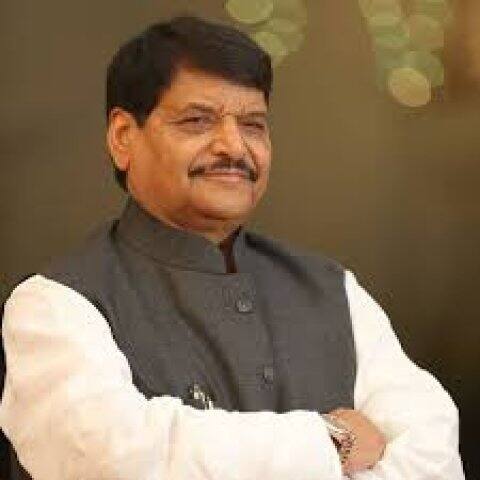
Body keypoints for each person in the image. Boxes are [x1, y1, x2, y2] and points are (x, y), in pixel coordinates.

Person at [0, 15, 464, 480]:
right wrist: (331, 440)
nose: (234, 146)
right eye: (197, 121)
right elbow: (111, 459)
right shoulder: (55, 303)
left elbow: (434, 457)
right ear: (123, 138)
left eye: (253, 124)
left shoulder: (332, 290)